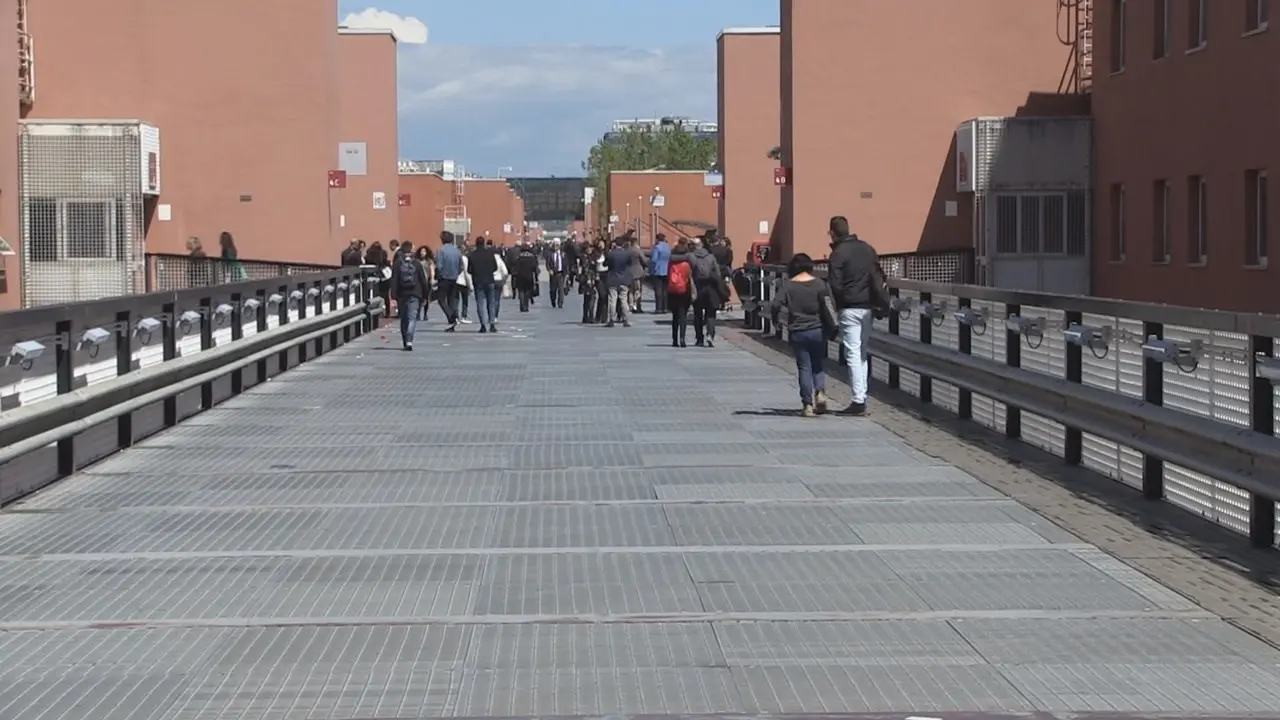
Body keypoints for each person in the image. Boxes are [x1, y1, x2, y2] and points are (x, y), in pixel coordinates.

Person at [824, 215, 889, 416]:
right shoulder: (867, 249)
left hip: (849, 307)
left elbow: (834, 284)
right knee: (861, 351)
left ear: (833, 233)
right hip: (868, 306)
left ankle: (858, 400)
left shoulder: (838, 254)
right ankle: (862, 394)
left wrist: (840, 305)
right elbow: (878, 275)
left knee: (852, 352)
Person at [771, 253, 834, 417]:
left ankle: (807, 405)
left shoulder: (788, 285)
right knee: (818, 364)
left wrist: (775, 320)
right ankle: (820, 392)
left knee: (804, 367)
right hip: (817, 329)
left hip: (797, 331)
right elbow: (827, 307)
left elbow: (776, 304)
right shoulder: (820, 284)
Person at [390, 241, 430, 351]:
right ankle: (409, 340)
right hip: (415, 293)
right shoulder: (417, 263)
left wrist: (393, 296)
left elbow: (394, 280)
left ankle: (405, 341)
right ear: (411, 250)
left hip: (402, 294)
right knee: (412, 318)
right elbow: (423, 281)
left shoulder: (398, 263)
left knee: (404, 319)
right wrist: (425, 296)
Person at [687, 237, 725, 347]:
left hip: (697, 288)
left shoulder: (691, 257)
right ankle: (710, 334)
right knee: (711, 313)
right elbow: (717, 274)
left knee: (697, 314)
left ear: (694, 246)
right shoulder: (711, 257)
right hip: (710, 288)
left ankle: (699, 338)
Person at [468, 237, 501, 333]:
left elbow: (469, 270)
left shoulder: (472, 255)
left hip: (478, 281)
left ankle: (483, 325)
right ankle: (492, 324)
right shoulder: (490, 254)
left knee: (480, 304)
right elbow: (495, 267)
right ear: (484, 243)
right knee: (491, 303)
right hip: (490, 280)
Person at [666, 239, 693, 347]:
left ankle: (674, 339)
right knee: (683, 316)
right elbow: (691, 277)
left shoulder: (671, 261)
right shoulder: (687, 263)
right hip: (684, 291)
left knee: (675, 317)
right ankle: (682, 338)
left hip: (672, 291)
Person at [435, 231, 463, 332]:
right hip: (454, 278)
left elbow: (439, 265)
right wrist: (456, 273)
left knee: (441, 299)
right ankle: (452, 323)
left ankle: (451, 316)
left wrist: (439, 275)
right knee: (452, 299)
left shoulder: (441, 250)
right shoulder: (457, 251)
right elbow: (461, 266)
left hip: (444, 278)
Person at [603, 237, 634, 328]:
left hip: (613, 279)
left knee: (612, 300)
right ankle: (625, 320)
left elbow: (605, 264)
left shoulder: (611, 254)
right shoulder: (627, 254)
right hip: (624, 279)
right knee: (624, 300)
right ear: (623, 244)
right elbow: (630, 264)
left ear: (615, 244)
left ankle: (611, 320)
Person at [649, 233, 671, 313]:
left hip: (658, 270)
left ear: (657, 239)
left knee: (658, 290)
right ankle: (665, 308)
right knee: (665, 290)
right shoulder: (668, 247)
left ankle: (659, 308)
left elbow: (654, 259)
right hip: (667, 270)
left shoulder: (657, 247)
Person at [513, 243, 539, 311]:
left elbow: (515, 268)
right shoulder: (532, 257)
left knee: (521, 291)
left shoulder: (519, 257)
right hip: (529, 276)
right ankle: (526, 306)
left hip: (520, 276)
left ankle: (522, 305)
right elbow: (535, 267)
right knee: (527, 291)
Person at [547, 238, 568, 308]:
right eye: (555, 245)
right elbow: (547, 264)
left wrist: (567, 273)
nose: (556, 246)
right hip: (553, 274)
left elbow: (566, 264)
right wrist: (549, 270)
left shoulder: (563, 254)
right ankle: (553, 301)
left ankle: (560, 303)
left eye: (557, 245)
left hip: (561, 274)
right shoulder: (550, 254)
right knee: (553, 290)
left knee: (561, 290)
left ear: (559, 246)